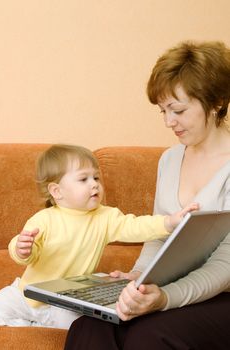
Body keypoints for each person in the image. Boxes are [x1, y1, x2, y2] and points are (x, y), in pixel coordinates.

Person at [64, 40, 230, 349]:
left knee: (148, 336)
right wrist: (136, 277)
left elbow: (225, 267)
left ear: (218, 101)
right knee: (91, 324)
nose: (169, 122)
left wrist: (164, 298)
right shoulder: (169, 160)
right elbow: (158, 234)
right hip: (167, 290)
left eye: (178, 110)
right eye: (163, 111)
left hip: (221, 296)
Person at [0, 144, 197, 329]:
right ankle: (28, 323)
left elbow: (136, 226)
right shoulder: (44, 219)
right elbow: (27, 249)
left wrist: (169, 222)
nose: (94, 184)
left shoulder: (105, 217)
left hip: (66, 301)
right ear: (57, 191)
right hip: (26, 294)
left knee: (80, 326)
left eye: (96, 178)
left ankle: (37, 326)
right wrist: (22, 249)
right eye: (84, 179)